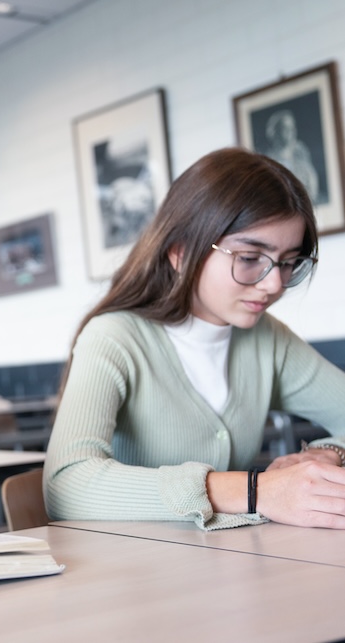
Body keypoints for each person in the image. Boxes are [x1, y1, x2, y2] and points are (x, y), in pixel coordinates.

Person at [44, 147, 345, 531]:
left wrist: (326, 453)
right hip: (131, 574)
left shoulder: (268, 340)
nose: (274, 284)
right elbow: (65, 487)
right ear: (181, 252)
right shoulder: (115, 337)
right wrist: (258, 490)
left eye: (288, 262)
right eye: (250, 257)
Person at [264, 109, 321, 204]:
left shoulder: (301, 152)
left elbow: (312, 181)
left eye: (292, 127)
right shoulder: (268, 161)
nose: (292, 131)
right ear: (275, 132)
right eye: (285, 128)